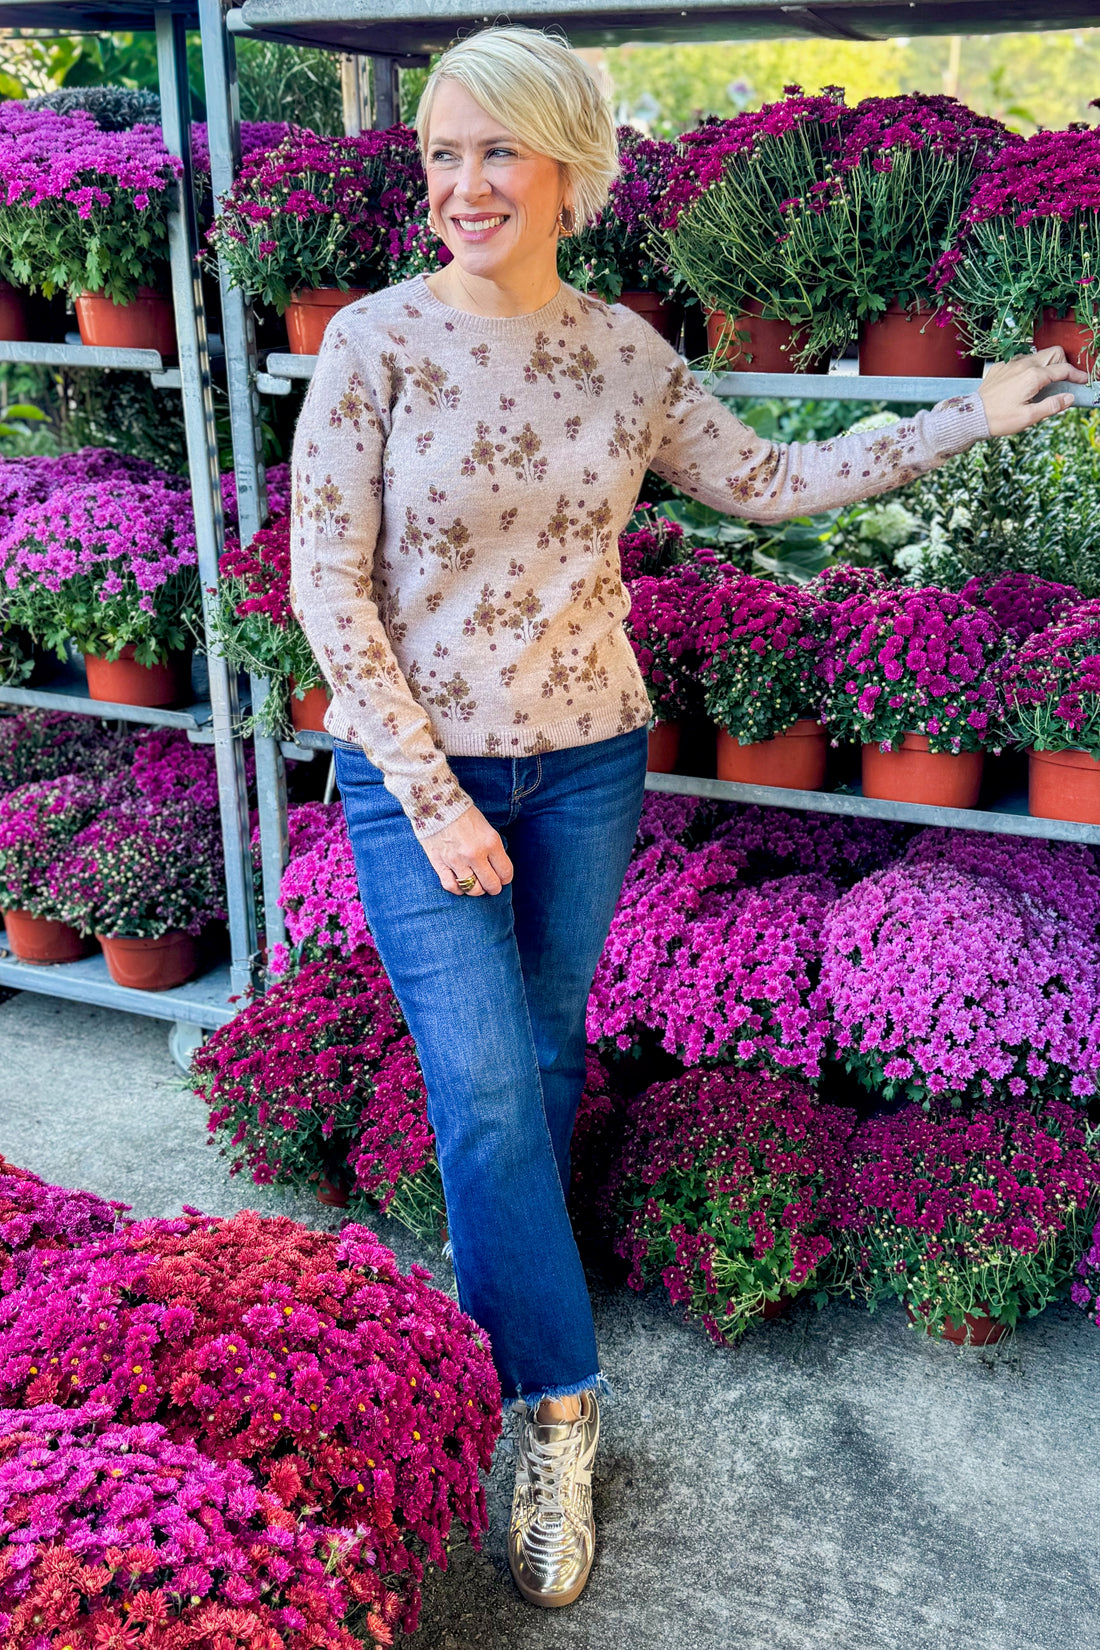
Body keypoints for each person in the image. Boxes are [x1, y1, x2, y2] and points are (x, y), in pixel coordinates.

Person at [289, 25, 1086, 1610]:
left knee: (551, 1061)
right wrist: (435, 800)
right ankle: (556, 1409)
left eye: (495, 151)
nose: (461, 184)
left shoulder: (627, 356)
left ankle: (501, 1298)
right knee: (491, 1091)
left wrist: (975, 416)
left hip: (588, 759)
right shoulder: (372, 343)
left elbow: (772, 480)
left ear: (569, 170)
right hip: (415, 775)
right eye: (442, 153)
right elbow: (328, 591)